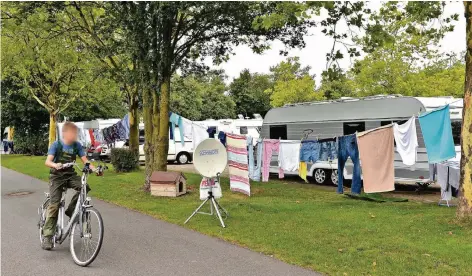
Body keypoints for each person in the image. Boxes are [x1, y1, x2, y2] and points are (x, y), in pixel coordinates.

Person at [42, 122, 95, 250]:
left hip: (70, 175)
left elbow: (85, 160)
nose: (74, 135)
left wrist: (93, 168)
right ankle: (48, 236)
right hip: (57, 177)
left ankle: (71, 210)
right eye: (72, 133)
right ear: (65, 133)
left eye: (75, 133)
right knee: (54, 205)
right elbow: (47, 161)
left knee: (84, 187)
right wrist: (55, 165)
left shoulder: (77, 145)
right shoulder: (57, 145)